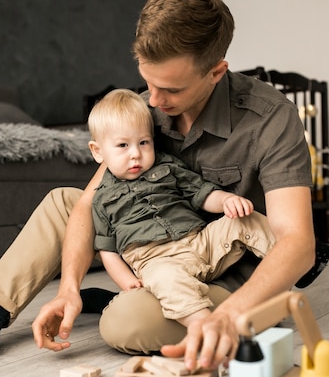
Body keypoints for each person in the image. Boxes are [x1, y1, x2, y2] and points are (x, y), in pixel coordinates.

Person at [0, 0, 326, 371]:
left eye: (172, 89)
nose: (155, 100)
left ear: (216, 71)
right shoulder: (149, 105)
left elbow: (296, 242)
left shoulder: (270, 117)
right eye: (148, 83)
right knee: (63, 200)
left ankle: (121, 303)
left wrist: (228, 317)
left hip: (223, 274)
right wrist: (67, 287)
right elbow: (88, 203)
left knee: (124, 326)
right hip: (153, 254)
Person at [86, 88, 275, 329]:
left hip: (200, 242)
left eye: (144, 142)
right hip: (156, 261)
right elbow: (108, 250)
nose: (136, 154)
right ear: (98, 151)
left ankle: (289, 257)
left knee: (243, 219)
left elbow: (201, 193)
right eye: (123, 145)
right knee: (167, 281)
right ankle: (205, 327)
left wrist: (227, 200)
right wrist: (127, 282)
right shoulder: (101, 199)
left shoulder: (167, 166)